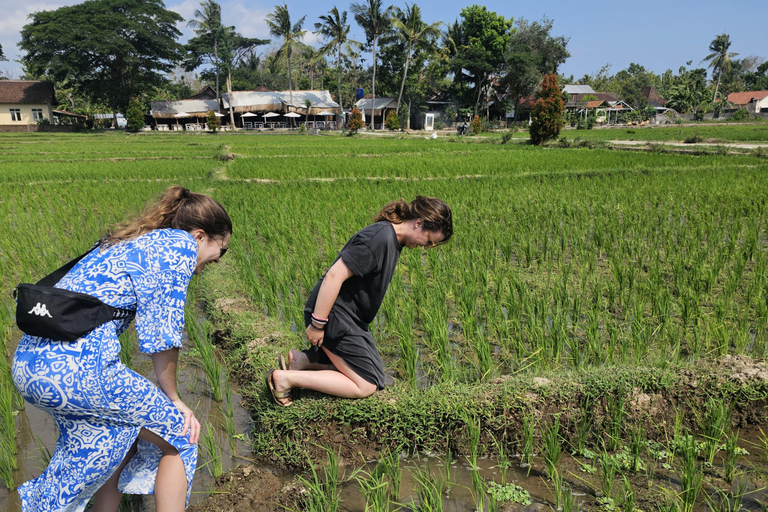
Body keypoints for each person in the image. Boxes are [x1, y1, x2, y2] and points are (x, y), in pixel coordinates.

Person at [12, 185, 232, 512]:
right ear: (199, 236)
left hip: (30, 366)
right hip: (81, 371)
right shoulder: (178, 246)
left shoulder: (126, 241)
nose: (214, 261)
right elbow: (162, 333)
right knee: (182, 437)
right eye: (221, 250)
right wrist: (174, 399)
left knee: (117, 436)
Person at [267, 196, 452, 406]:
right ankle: (285, 379)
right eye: (430, 240)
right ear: (419, 223)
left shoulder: (393, 240)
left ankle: (302, 361)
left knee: (377, 375)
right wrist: (318, 324)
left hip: (350, 317)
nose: (427, 247)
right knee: (366, 383)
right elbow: (334, 276)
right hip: (331, 314)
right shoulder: (379, 238)